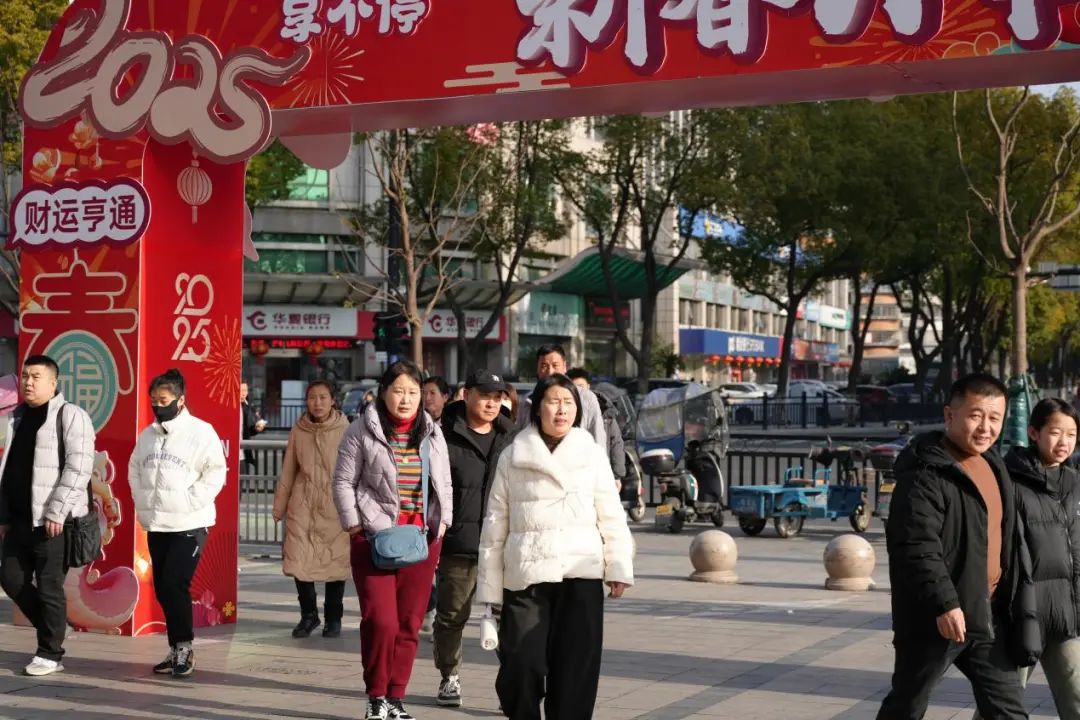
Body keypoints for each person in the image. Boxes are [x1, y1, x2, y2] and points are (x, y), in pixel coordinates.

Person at [478, 374, 634, 720]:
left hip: (580, 575)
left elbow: (611, 515)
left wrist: (618, 565)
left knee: (575, 673)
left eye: (568, 402)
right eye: (553, 401)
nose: (561, 410)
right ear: (538, 408)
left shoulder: (591, 455)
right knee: (521, 664)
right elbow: (494, 526)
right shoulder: (513, 455)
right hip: (526, 576)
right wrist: (489, 593)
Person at [877, 373, 1027, 720]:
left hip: (986, 613)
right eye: (976, 415)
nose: (986, 427)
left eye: (995, 418)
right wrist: (945, 604)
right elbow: (916, 546)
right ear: (949, 415)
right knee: (907, 705)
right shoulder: (924, 473)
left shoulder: (993, 464)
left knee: (1008, 708)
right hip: (935, 618)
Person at [333, 360, 453, 720]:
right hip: (373, 540)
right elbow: (343, 481)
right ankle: (376, 696)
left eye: (413, 392)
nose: (406, 399)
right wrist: (355, 526)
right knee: (381, 622)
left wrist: (443, 523)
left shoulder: (432, 432)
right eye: (398, 391)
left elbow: (443, 481)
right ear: (383, 391)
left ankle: (395, 697)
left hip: (420, 541)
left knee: (409, 624)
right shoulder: (360, 430)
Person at [973, 398, 1080, 720]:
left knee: (1076, 696)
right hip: (1018, 613)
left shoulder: (1073, 482)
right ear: (1034, 432)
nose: (1064, 442)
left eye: (1072, 434)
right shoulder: (1009, 480)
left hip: (1064, 613)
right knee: (1001, 705)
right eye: (1055, 432)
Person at [0, 355, 95, 677]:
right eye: (25, 375)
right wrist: (4, 515)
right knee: (10, 578)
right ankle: (54, 627)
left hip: (53, 522)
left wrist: (57, 510)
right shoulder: (16, 417)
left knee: (49, 586)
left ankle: (50, 653)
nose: (28, 382)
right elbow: (9, 468)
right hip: (19, 520)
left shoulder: (71, 415)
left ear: (53, 382)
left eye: (36, 377)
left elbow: (79, 468)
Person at [128, 369, 227, 678]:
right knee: (163, 588)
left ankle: (184, 647)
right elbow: (134, 468)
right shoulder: (148, 435)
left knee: (174, 582)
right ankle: (175, 649)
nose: (158, 406)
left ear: (180, 400)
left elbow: (215, 472)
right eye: (154, 401)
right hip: (157, 523)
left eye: (164, 400)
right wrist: (141, 499)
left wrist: (189, 501)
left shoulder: (201, 432)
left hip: (189, 523)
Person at [433, 370, 515, 708]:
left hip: (502, 544)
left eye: (497, 397)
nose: (491, 403)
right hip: (459, 544)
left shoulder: (511, 437)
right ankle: (449, 676)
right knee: (451, 616)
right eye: (484, 396)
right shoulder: (443, 436)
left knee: (510, 618)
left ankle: (511, 684)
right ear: (466, 395)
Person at [273, 380, 351, 639]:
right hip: (303, 505)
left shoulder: (346, 429)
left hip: (335, 506)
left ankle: (333, 618)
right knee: (299, 560)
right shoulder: (299, 430)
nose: (317, 403)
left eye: (323, 397)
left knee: (335, 562)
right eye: (312, 398)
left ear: (333, 401)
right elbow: (288, 469)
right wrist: (279, 506)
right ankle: (308, 615)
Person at [519, 345, 606, 449]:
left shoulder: (586, 398)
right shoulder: (528, 400)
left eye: (555, 365)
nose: (550, 372)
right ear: (537, 369)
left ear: (565, 367)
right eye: (544, 366)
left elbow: (598, 440)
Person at [568, 369, 625, 490]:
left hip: (601, 474)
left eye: (581, 387)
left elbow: (616, 442)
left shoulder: (604, 409)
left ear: (588, 386)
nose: (579, 392)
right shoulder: (565, 413)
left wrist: (616, 476)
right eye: (574, 388)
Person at [241, 382, 266, 471]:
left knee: (243, 475)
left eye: (245, 390)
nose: (243, 393)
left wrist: (256, 428)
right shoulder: (233, 406)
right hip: (233, 448)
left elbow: (248, 429)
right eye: (241, 390)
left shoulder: (248, 406)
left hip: (244, 450)